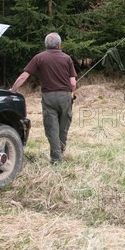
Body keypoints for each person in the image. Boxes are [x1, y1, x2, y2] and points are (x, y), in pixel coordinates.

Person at [10, 32, 77, 164]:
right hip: (65, 97)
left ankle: (56, 159)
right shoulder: (67, 58)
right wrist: (70, 92)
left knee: (52, 128)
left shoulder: (39, 57)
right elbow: (73, 83)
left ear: (46, 45)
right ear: (59, 44)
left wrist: (12, 90)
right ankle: (60, 153)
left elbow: (24, 76)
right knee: (63, 128)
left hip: (48, 98)